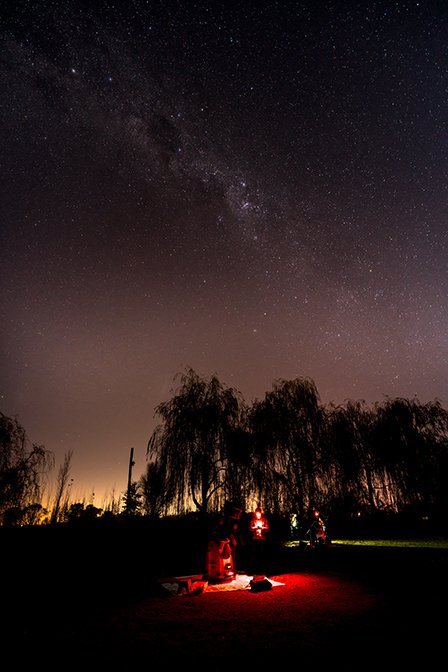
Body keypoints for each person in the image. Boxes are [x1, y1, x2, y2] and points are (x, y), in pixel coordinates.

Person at [248, 505, 270, 574]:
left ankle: (262, 569)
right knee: (254, 554)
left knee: (262, 553)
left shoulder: (264, 520)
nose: (258, 515)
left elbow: (268, 528)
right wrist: (255, 527)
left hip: (262, 539)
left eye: (259, 514)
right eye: (257, 514)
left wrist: (262, 528)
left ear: (261, 513)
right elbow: (250, 528)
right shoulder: (253, 520)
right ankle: (255, 569)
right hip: (255, 539)